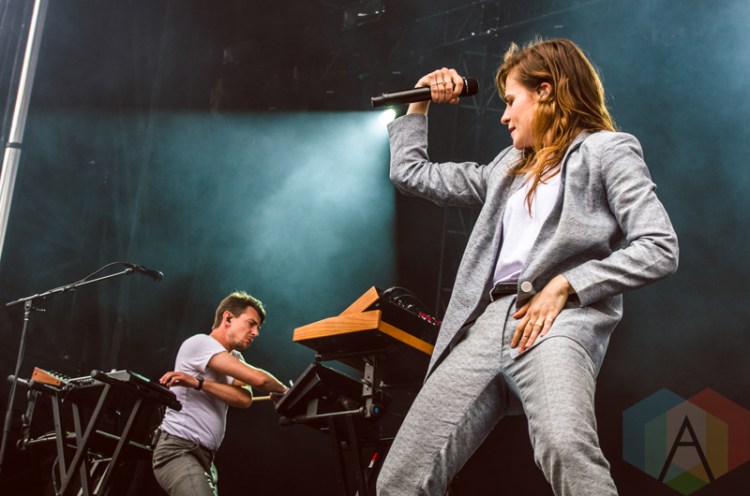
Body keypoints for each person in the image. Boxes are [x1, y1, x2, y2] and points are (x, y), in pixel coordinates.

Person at [376, 38, 679, 496]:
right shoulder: (507, 168)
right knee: (400, 478)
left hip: (556, 320)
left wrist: (567, 284)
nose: (503, 116)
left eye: (511, 100)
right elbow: (410, 173)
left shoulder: (607, 150)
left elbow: (659, 246)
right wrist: (419, 102)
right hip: (484, 327)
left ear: (545, 92)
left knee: (565, 447)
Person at [152, 291, 288, 495]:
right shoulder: (201, 343)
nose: (255, 333)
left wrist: (199, 383)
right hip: (178, 450)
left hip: (205, 457)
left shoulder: (235, 357)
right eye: (251, 324)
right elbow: (259, 380)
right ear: (228, 318)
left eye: (258, 328)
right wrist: (287, 391)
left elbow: (244, 399)